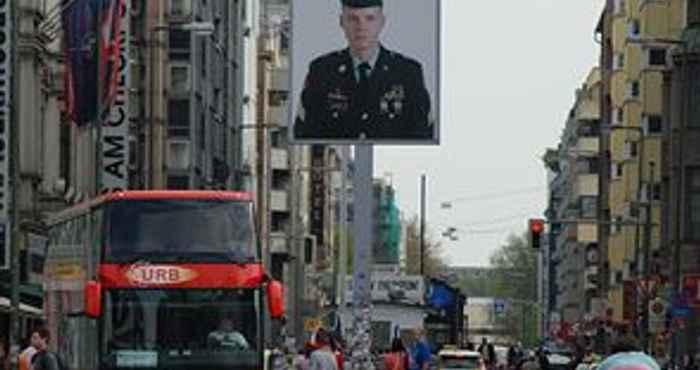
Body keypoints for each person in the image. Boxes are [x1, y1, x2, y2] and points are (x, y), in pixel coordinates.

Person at [293, 0, 433, 141]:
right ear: (342, 22)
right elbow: (304, 133)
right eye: (353, 19)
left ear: (382, 22)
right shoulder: (322, 71)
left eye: (370, 18)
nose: (361, 27)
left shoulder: (408, 73)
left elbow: (422, 135)